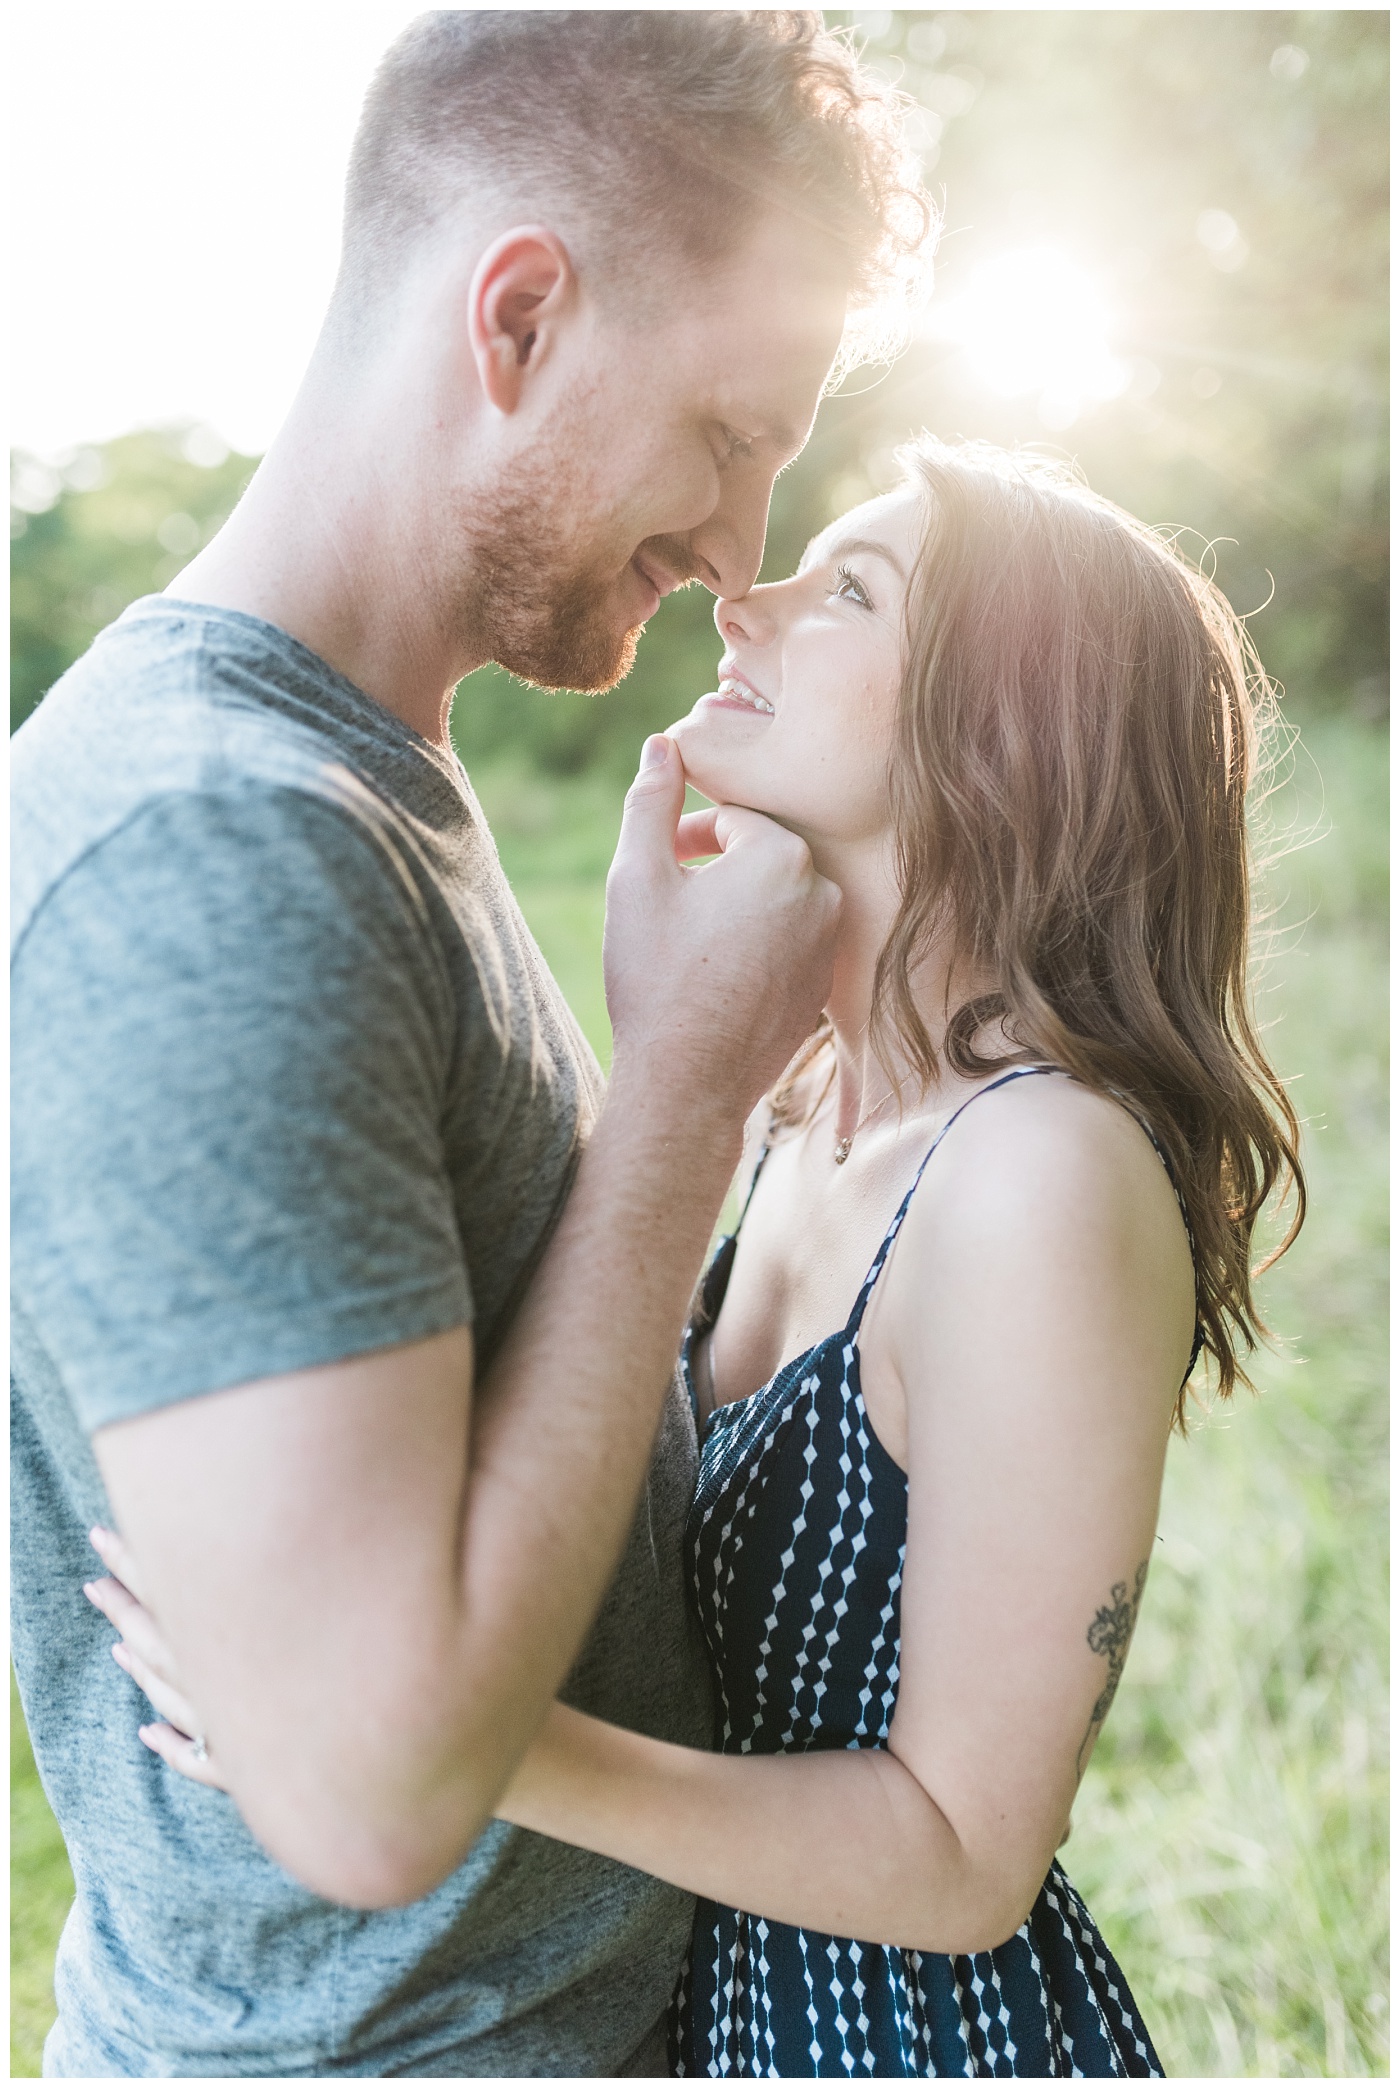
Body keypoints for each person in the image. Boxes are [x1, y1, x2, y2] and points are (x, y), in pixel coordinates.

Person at [93, 438, 1304, 2078]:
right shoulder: (807, 1099)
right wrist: (675, 1064)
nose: (750, 598)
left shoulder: (1040, 1174)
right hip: (714, 2017)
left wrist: (415, 1749)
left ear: (1010, 729)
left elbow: (961, 1859)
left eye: (850, 589)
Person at [10, 13, 935, 2077]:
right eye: (724, 432)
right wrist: (683, 1093)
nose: (734, 544)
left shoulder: (363, 778)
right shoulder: (219, 845)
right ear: (515, 316)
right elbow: (370, 1793)